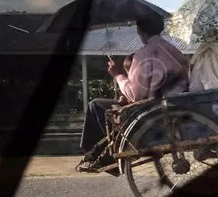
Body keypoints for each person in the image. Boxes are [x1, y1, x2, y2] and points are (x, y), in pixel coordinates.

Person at [76, 14, 189, 173]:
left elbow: (135, 95)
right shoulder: (175, 51)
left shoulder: (144, 53)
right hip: (175, 106)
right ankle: (100, 154)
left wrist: (117, 74)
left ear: (139, 30)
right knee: (114, 105)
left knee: (96, 105)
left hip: (151, 111)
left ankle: (104, 155)